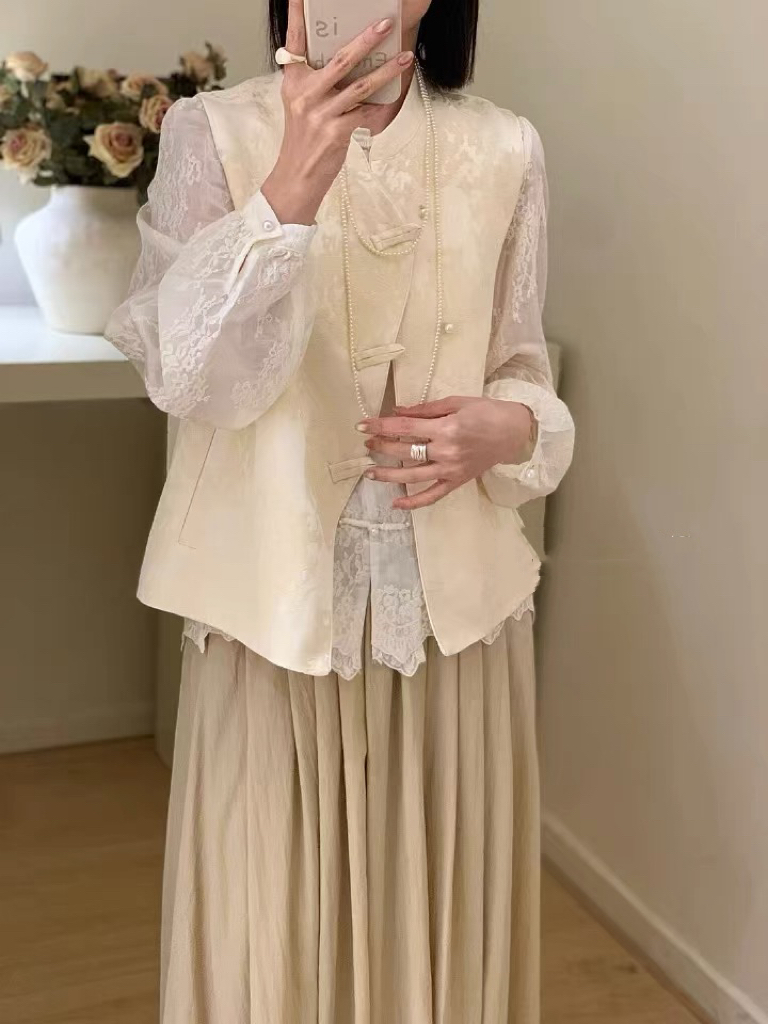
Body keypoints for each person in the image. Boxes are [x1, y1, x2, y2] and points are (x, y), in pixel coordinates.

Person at [106, 0, 575, 1020]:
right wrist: (288, 192)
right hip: (274, 616)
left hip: (455, 627)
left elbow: (522, 369)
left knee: (440, 924)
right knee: (272, 934)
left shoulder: (506, 147)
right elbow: (183, 377)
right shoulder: (213, 131)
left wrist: (510, 426)